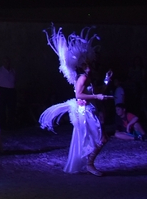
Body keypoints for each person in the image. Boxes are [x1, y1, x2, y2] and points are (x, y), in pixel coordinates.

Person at [40, 25, 113, 176]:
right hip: (85, 112)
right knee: (101, 138)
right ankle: (90, 164)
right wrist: (96, 97)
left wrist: (106, 82)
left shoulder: (89, 78)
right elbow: (79, 95)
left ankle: (90, 163)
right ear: (82, 66)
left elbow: (97, 92)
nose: (91, 66)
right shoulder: (83, 78)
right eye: (88, 64)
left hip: (90, 110)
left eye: (91, 63)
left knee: (101, 138)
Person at [0, 56, 17, 129]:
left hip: (11, 91)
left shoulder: (13, 71)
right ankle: (2, 125)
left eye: (8, 61)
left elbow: (14, 80)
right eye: (5, 61)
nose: (6, 63)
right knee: (2, 108)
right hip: (2, 91)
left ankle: (11, 124)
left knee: (11, 108)